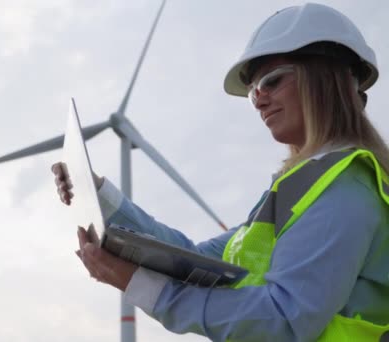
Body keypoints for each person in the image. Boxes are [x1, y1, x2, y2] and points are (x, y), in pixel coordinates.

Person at [51, 3, 389, 341]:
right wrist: (97, 194)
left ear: (325, 77)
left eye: (271, 81)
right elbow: (197, 260)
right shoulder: (302, 189)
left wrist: (139, 284)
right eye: (254, 90)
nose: (258, 99)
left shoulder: (347, 187)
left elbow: (282, 320)